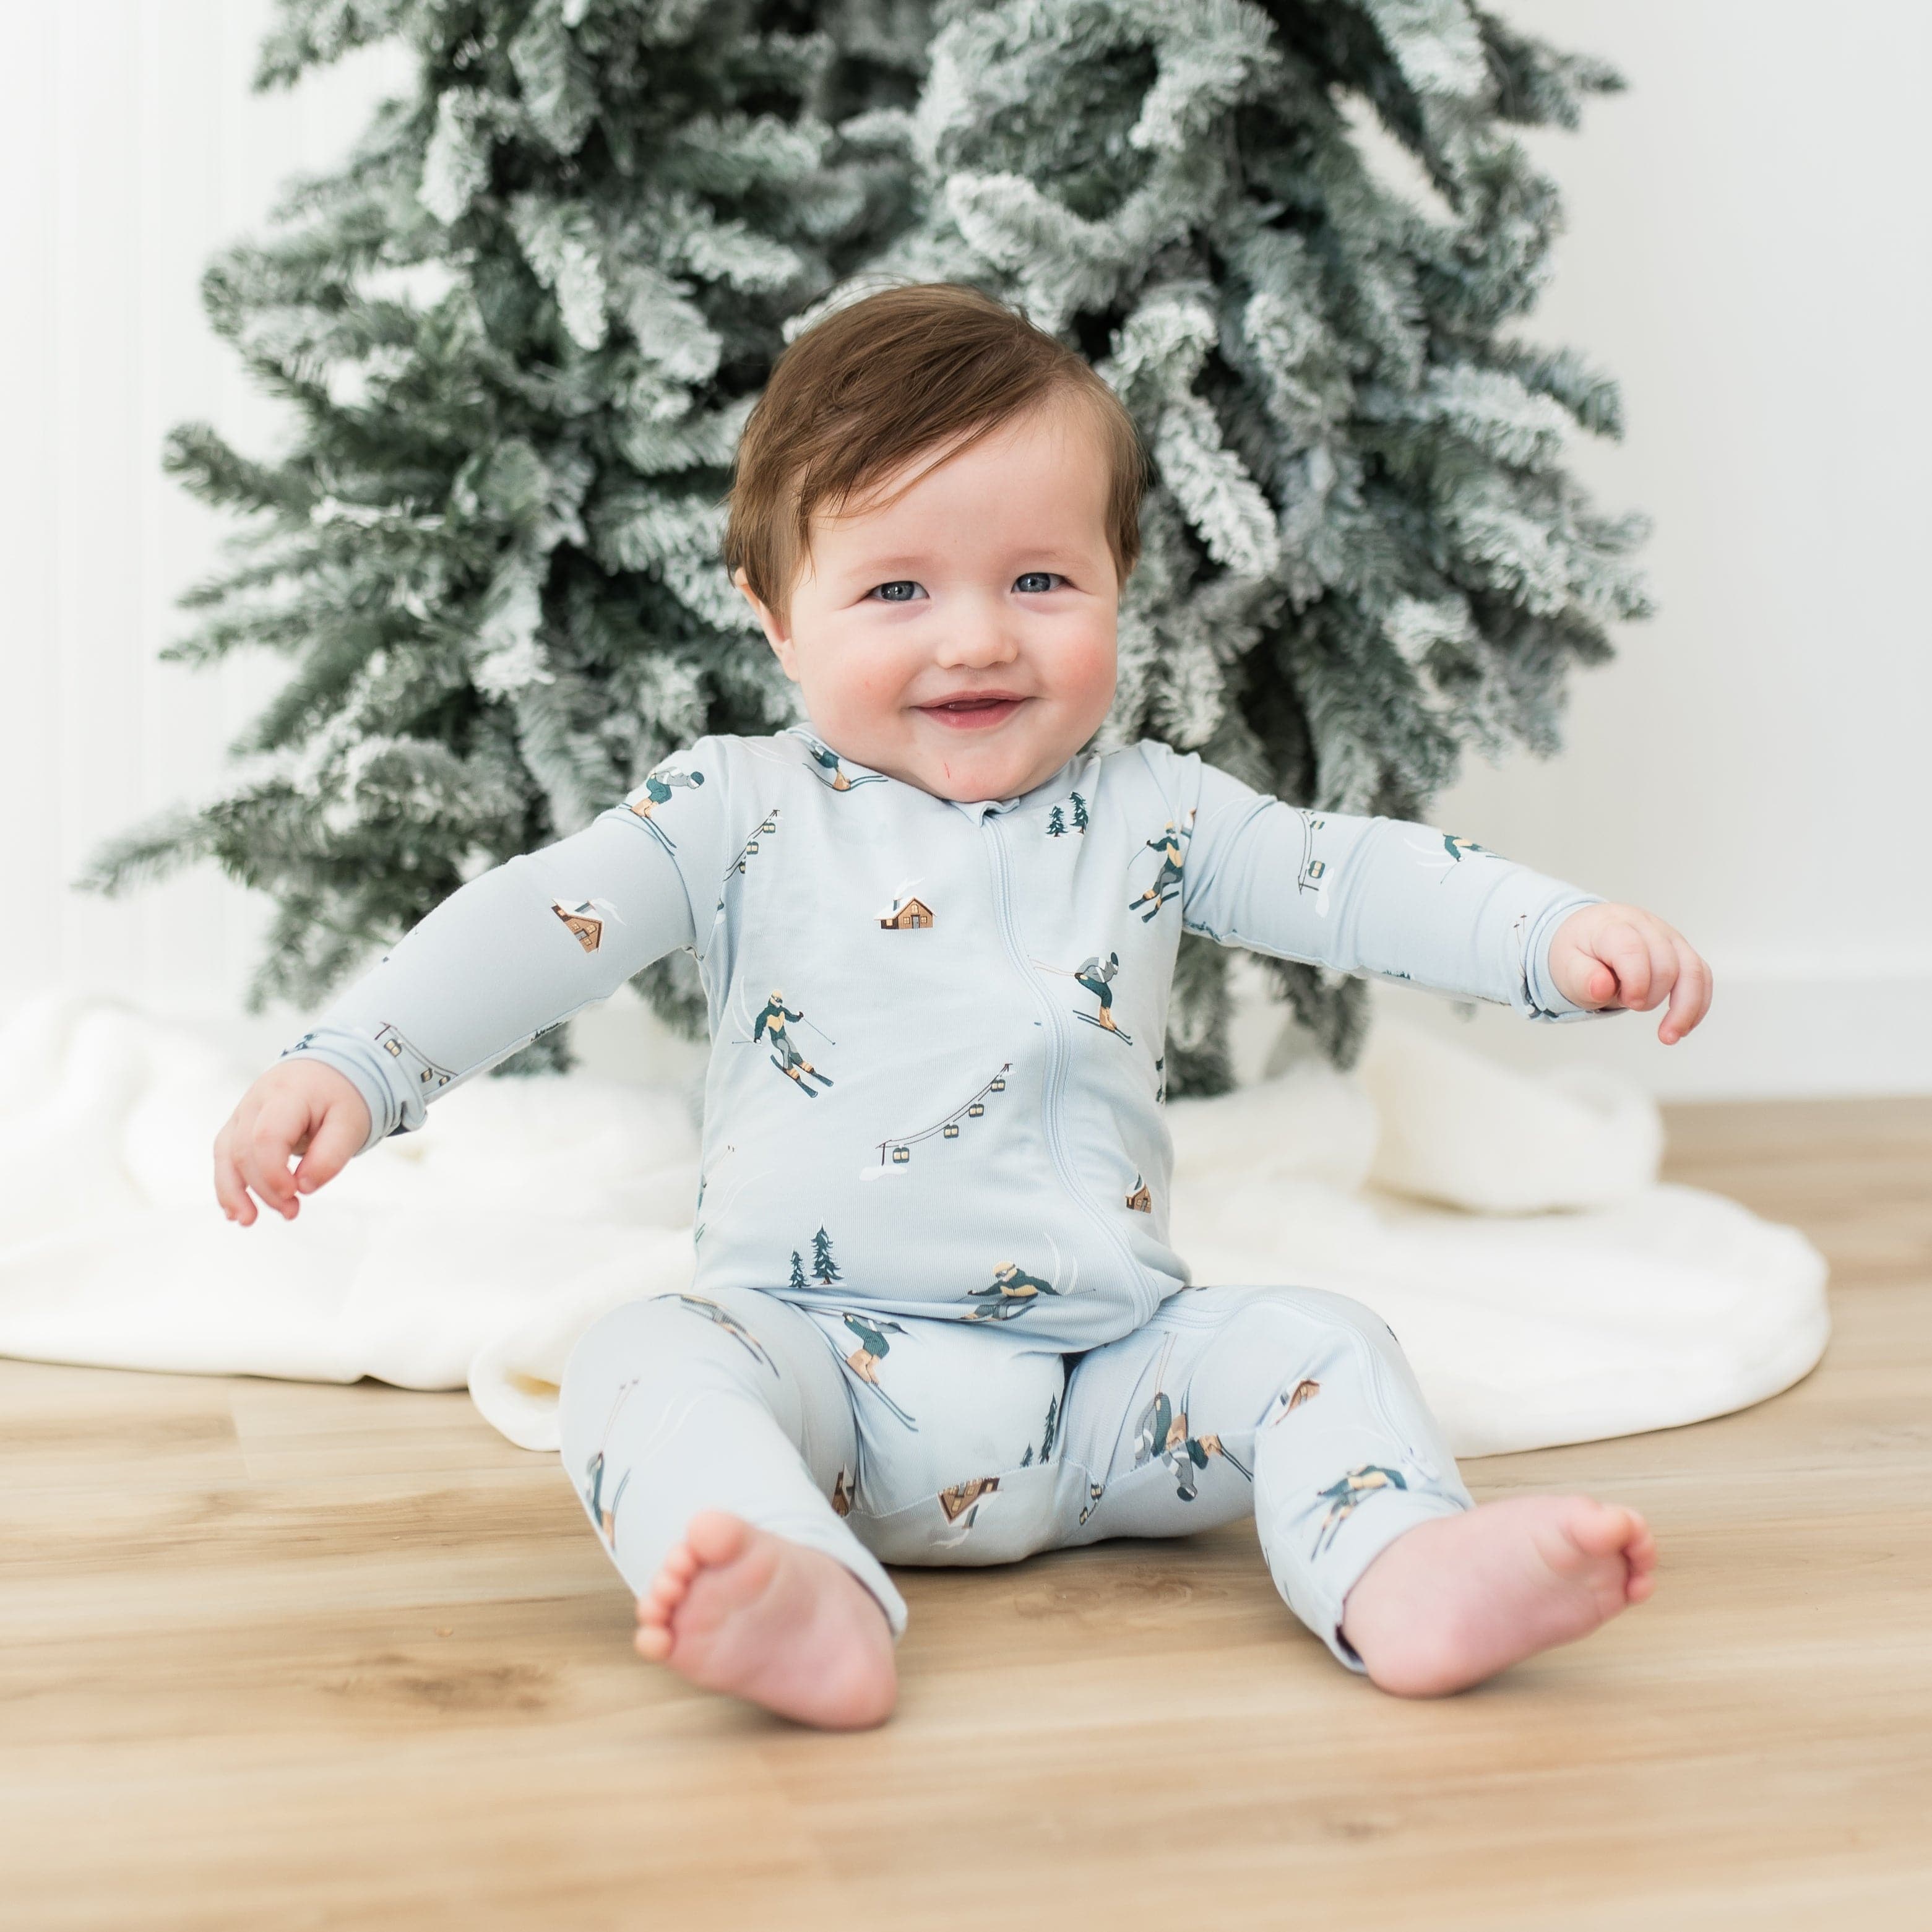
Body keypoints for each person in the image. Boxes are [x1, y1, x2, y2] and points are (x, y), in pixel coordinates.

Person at [214, 282, 1709, 1732]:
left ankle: (1397, 1568)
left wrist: (1549, 932)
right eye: (897, 590)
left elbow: (1354, 878)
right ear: (774, 615)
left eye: (1041, 581)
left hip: (1114, 1389)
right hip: (822, 1384)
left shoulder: (1158, 813)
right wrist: (361, 1060)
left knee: (1323, 1339)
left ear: (1119, 581)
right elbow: (541, 920)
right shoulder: (733, 809)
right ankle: (796, 1586)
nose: (979, 636)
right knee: (637, 1358)